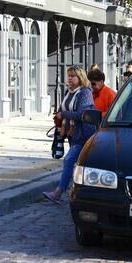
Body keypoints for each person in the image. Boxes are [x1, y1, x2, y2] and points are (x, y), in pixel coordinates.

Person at [43, 66, 96, 203]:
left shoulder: (85, 93)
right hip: (72, 134)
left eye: (73, 76)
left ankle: (58, 192)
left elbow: (82, 114)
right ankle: (81, 193)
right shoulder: (69, 92)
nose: (70, 78)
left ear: (80, 78)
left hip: (84, 134)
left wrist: (64, 114)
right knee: (81, 164)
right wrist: (59, 119)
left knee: (69, 160)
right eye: (69, 76)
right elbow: (63, 108)